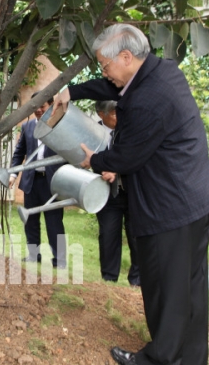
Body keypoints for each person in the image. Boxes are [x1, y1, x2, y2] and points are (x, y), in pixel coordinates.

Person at [55, 24, 209, 365]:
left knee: (165, 287)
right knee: (189, 286)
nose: (104, 72)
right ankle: (190, 358)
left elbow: (126, 156)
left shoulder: (148, 100)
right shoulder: (160, 71)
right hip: (196, 198)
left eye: (105, 64)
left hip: (171, 208)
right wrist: (72, 91)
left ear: (126, 57)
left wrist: (94, 160)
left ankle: (159, 359)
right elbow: (116, 86)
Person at [9, 92, 66, 268]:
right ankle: (34, 255)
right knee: (31, 221)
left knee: (54, 222)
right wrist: (12, 174)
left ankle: (59, 260)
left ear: (50, 106)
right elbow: (20, 152)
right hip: (31, 182)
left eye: (43, 106)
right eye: (37, 107)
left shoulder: (60, 126)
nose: (39, 110)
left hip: (53, 182)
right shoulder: (27, 127)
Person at [94, 100, 140, 286]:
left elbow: (136, 156)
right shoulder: (90, 132)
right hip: (106, 194)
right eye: (113, 113)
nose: (118, 117)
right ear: (101, 115)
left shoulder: (130, 129)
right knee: (108, 235)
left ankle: (137, 280)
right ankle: (109, 278)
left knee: (137, 236)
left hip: (132, 192)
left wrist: (117, 169)